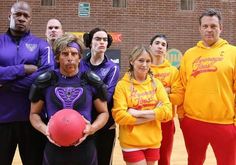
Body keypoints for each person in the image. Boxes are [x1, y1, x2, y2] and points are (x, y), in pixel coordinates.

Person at [29, 33, 109, 164]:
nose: (70, 58)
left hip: (85, 147)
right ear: (57, 58)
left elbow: (104, 112)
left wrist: (92, 128)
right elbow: (34, 114)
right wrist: (46, 130)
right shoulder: (46, 81)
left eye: (74, 53)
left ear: (79, 57)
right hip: (54, 148)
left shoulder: (90, 80)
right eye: (65, 54)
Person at [178, 8, 236, 165]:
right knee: (194, 161)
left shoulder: (233, 53)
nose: (209, 30)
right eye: (205, 26)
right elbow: (182, 86)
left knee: (227, 162)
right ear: (200, 28)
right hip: (193, 121)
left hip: (225, 123)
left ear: (221, 28)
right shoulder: (189, 54)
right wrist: (182, 116)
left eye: (213, 26)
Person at [0, 1, 54, 165]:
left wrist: (6, 83)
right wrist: (22, 69)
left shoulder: (41, 45)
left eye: (26, 16)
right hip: (2, 120)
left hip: (32, 120)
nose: (21, 18)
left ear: (30, 20)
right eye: (18, 14)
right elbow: (36, 78)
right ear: (10, 16)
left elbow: (46, 76)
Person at [112, 45, 172, 165]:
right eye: (141, 60)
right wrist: (155, 113)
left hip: (153, 140)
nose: (144, 64)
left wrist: (139, 113)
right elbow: (120, 116)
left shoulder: (156, 84)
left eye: (148, 61)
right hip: (131, 142)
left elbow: (168, 112)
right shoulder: (122, 86)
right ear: (132, 61)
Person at [80, 27, 120, 165]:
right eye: (97, 39)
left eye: (104, 39)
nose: (102, 42)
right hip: (82, 123)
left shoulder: (112, 67)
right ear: (90, 42)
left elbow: (107, 96)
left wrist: (86, 89)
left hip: (105, 125)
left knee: (103, 161)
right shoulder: (80, 64)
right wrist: (97, 87)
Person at [149, 34, 183, 165]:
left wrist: (155, 93)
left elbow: (178, 98)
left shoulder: (173, 71)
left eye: (163, 45)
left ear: (166, 50)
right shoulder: (144, 67)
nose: (160, 46)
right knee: (148, 158)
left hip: (166, 121)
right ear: (150, 46)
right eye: (157, 43)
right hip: (146, 120)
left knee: (164, 160)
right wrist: (167, 90)